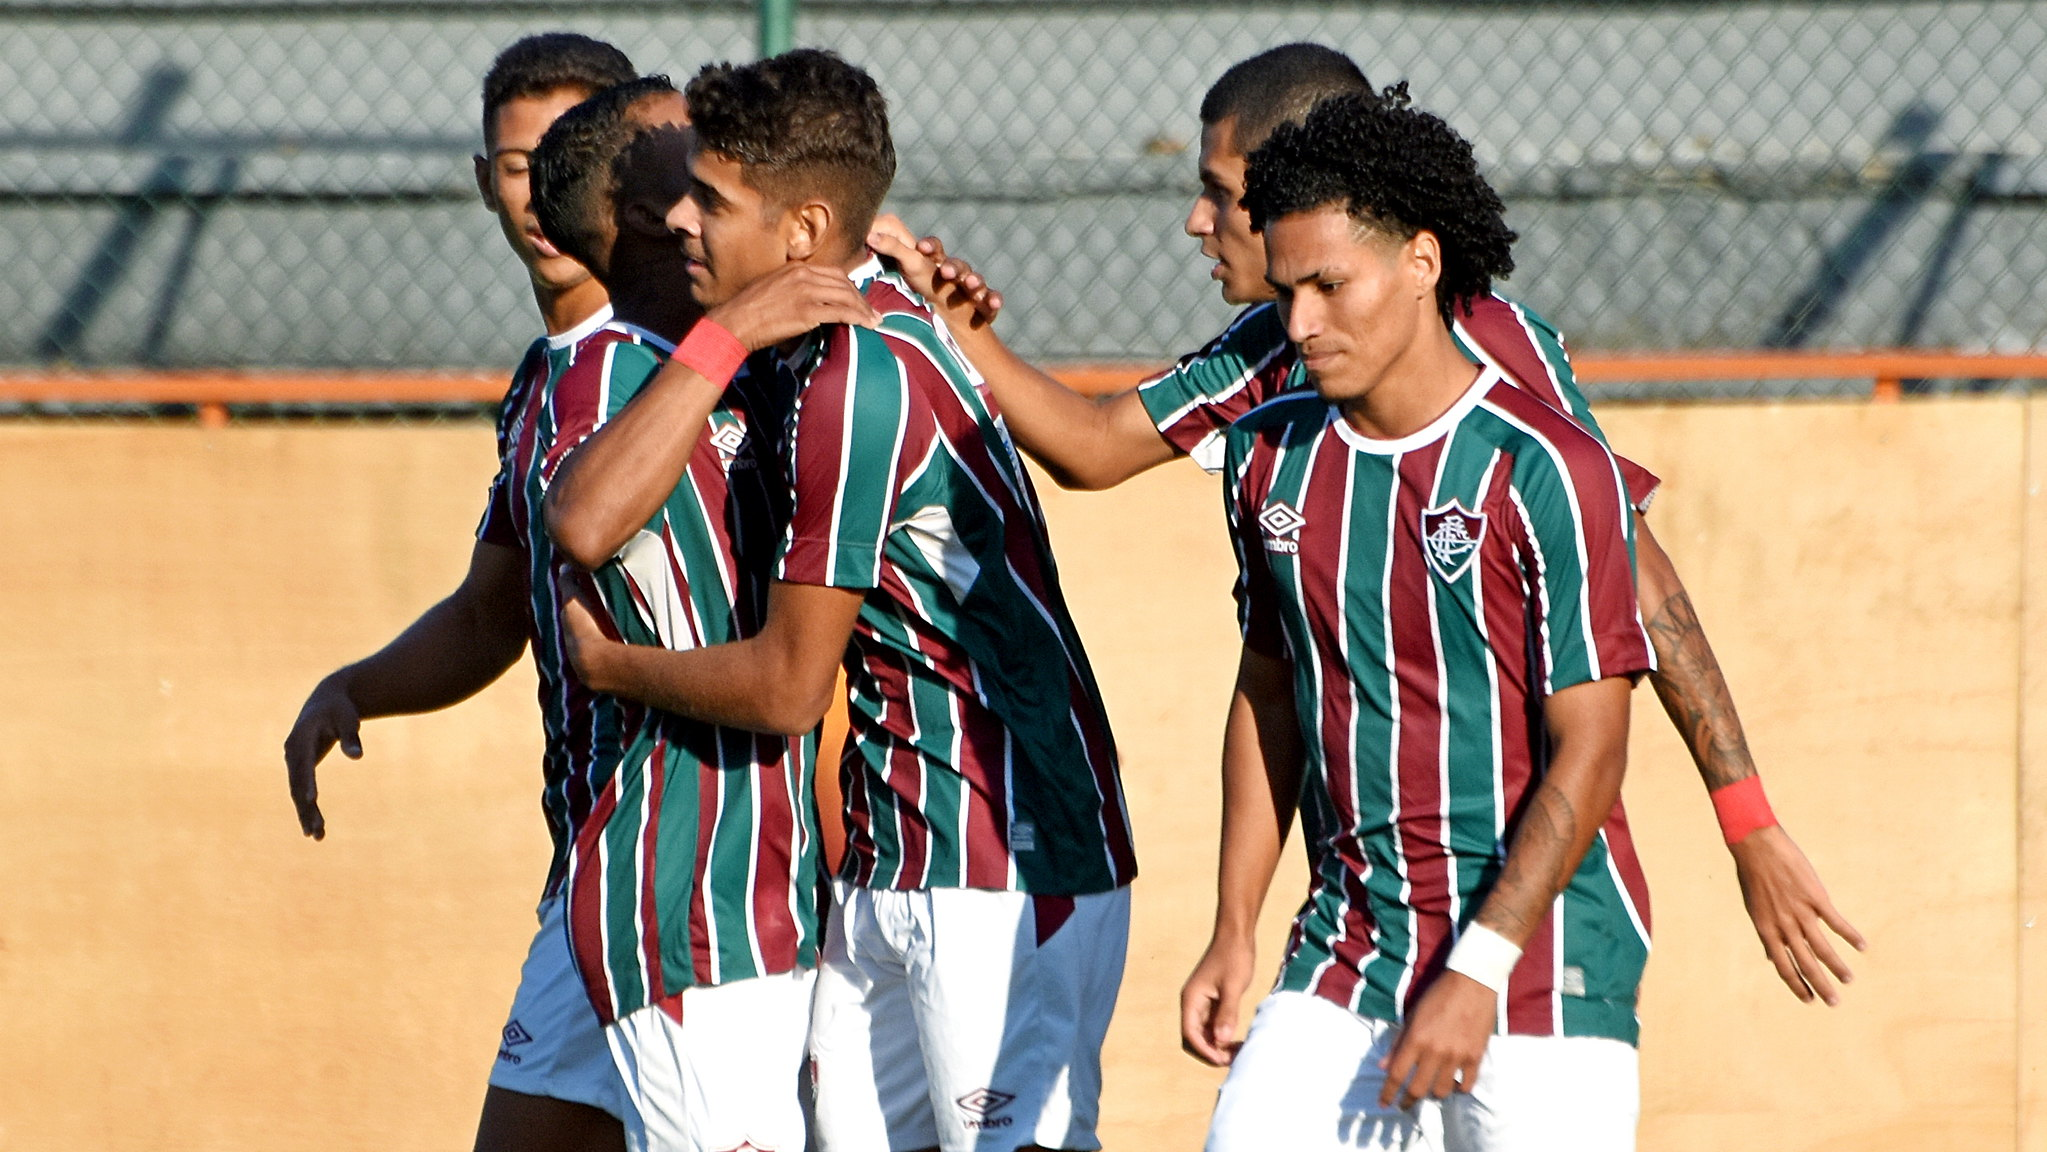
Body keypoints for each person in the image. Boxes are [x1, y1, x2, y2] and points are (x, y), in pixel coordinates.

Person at [868, 42, 1862, 1019]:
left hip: (1520, 923)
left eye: (1220, 190)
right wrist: (961, 326)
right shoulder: (1275, 345)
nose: (1198, 220)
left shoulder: (1482, 344)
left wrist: (1748, 824)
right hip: (1360, 915)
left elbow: (1640, 584)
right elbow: (1093, 447)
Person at [551, 49, 1134, 1152]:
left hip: (1005, 859)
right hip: (895, 852)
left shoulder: (854, 377)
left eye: (711, 202)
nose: (681, 219)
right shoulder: (798, 334)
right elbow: (579, 519)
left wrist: (615, 667)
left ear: (805, 232)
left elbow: (784, 687)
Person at [1198, 88, 1653, 1149]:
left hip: (1540, 964)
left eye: (1328, 286)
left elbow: (1591, 746)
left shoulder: (1547, 468)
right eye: (1284, 292)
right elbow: (1269, 693)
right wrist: (1233, 928)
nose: (1299, 323)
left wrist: (1478, 971)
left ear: (1420, 262)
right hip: (1348, 950)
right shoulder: (1268, 458)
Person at [281, 32, 639, 1152]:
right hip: (589, 881)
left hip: (700, 890)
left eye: (575, 156)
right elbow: (494, 612)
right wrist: (355, 687)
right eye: (520, 163)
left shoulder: (679, 369)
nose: (543, 192)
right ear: (484, 178)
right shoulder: (544, 382)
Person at [524, 74, 875, 1152]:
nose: (711, 178)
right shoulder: (612, 382)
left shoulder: (761, 371)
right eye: (693, 163)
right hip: (687, 901)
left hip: (746, 892)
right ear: (643, 214)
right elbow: (575, 526)